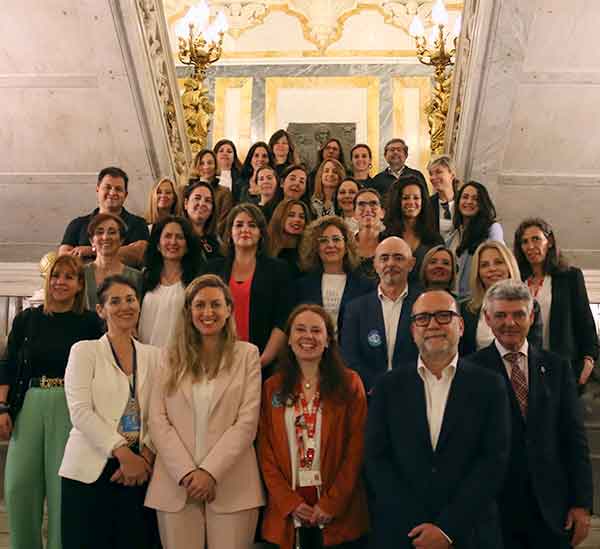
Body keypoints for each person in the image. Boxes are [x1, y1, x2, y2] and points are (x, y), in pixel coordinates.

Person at [365, 289, 510, 549]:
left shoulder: (490, 385)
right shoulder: (387, 387)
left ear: (461, 325)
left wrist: (447, 529)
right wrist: (417, 525)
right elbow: (377, 460)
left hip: (469, 532)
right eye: (423, 318)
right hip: (403, 533)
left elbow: (493, 462)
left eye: (444, 316)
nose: (433, 325)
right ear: (412, 330)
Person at [471, 279, 593, 548]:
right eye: (501, 315)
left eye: (518, 314)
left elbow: (574, 439)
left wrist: (582, 504)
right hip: (493, 512)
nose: (510, 323)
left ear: (532, 316)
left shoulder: (557, 367)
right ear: (488, 318)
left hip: (552, 511)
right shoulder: (470, 371)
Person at [145, 274, 264, 549]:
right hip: (176, 486)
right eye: (199, 305)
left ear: (228, 309)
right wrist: (188, 473)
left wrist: (209, 473)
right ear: (188, 311)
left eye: (215, 305)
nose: (207, 312)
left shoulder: (248, 355)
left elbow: (246, 423)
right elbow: (158, 420)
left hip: (233, 486)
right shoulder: (167, 357)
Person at [0, 255, 102, 549]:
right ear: (48, 280)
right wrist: (3, 407)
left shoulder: (90, 323)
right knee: (19, 486)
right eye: (56, 275)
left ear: (80, 284)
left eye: (69, 277)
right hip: (29, 403)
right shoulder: (27, 319)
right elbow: (6, 363)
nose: (60, 282)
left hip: (72, 409)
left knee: (62, 490)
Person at [59, 275, 161, 549]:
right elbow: (80, 412)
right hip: (90, 470)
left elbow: (161, 413)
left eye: (130, 299)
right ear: (101, 310)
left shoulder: (155, 356)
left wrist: (146, 455)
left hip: (140, 471)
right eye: (114, 301)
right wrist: (122, 452)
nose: (125, 306)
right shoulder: (84, 351)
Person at [258, 304, 369, 549]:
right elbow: (265, 453)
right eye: (300, 329)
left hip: (340, 513)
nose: (308, 336)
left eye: (316, 331)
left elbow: (356, 449)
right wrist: (289, 502)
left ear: (328, 340)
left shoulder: (350, 384)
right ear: (288, 339)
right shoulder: (271, 388)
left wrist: (332, 503)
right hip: (287, 513)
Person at [201, 203, 292, 371]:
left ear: (261, 233)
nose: (245, 229)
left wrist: (262, 360)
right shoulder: (212, 269)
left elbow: (283, 320)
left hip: (262, 363)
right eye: (239, 225)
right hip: (216, 361)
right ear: (229, 232)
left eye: (252, 225)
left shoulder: (278, 270)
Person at [513, 217, 599, 385]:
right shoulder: (516, 281)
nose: (530, 246)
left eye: (536, 239)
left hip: (563, 367)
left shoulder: (570, 277)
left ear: (550, 241)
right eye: (524, 242)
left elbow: (584, 321)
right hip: (524, 369)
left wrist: (589, 360)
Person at [341, 237, 421, 394]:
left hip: (415, 393)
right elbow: (349, 357)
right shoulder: (355, 309)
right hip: (370, 397)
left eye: (399, 258)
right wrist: (378, 387)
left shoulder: (424, 305)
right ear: (375, 264)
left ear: (411, 264)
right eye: (384, 258)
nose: (390, 263)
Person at [297, 216, 375, 339]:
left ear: (346, 246)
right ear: (315, 247)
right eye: (323, 240)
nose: (330, 245)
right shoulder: (301, 286)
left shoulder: (365, 286)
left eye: (336, 239)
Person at [460, 240, 542, 356]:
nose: (492, 269)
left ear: (509, 266)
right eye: (484, 265)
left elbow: (535, 353)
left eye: (498, 262)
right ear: (478, 272)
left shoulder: (531, 305)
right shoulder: (467, 309)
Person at [59, 166, 149, 266]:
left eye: (118, 189)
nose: (112, 192)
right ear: (97, 188)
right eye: (108, 187)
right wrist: (121, 252)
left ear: (126, 194)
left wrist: (91, 251)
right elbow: (64, 260)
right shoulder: (77, 224)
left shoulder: (139, 224)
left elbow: (139, 254)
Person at [139, 216, 202, 347]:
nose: (173, 242)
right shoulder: (145, 278)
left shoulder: (197, 281)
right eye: (167, 236)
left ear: (188, 245)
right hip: (145, 357)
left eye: (179, 237)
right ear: (157, 244)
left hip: (181, 358)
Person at [446, 181, 504, 300]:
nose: (469, 202)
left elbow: (497, 266)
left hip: (478, 299)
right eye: (465, 197)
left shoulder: (492, 229)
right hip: (454, 298)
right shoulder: (454, 234)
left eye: (475, 199)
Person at [383, 176, 444, 284]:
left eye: (416, 198)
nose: (411, 202)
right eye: (405, 198)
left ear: (423, 201)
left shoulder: (435, 239)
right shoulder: (384, 236)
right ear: (397, 201)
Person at [83, 213, 143, 310]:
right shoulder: (80, 273)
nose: (106, 237)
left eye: (112, 232)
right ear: (91, 241)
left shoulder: (136, 277)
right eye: (99, 232)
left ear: (121, 240)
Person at [267, 198, 310, 279]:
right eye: (291, 215)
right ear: (279, 217)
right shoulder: (266, 249)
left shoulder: (309, 254)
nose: (297, 220)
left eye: (301, 217)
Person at [190, 148, 234, 226]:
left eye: (210, 163)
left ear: (215, 166)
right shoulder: (186, 190)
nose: (206, 167)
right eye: (202, 163)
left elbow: (224, 222)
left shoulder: (224, 193)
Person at [182, 181, 221, 262]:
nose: (202, 203)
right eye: (197, 198)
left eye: (208, 200)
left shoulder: (216, 242)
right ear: (186, 203)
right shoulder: (178, 238)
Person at [353, 188, 385, 280]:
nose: (367, 209)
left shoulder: (391, 245)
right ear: (354, 213)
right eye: (361, 204)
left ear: (382, 213)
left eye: (373, 204)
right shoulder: (346, 246)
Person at [427, 154, 459, 240]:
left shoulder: (464, 202)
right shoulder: (427, 204)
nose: (433, 177)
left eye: (438, 172)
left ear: (452, 175)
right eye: (431, 174)